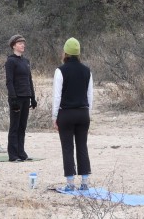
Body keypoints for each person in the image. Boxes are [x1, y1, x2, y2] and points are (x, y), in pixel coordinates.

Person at [52, 37, 93, 191]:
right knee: (82, 146)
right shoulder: (87, 70)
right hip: (83, 113)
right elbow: (90, 96)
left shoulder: (60, 70)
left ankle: (70, 183)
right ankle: (85, 182)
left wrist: (54, 116)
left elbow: (57, 96)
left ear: (65, 52)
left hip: (66, 114)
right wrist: (89, 114)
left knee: (67, 147)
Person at [5, 35, 37, 162]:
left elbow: (29, 80)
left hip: (26, 97)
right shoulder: (10, 61)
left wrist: (33, 97)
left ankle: (21, 152)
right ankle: (13, 155)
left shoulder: (26, 61)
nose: (23, 45)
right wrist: (13, 99)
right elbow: (9, 81)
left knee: (22, 126)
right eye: (20, 43)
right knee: (15, 126)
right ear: (13, 45)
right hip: (16, 98)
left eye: (23, 43)